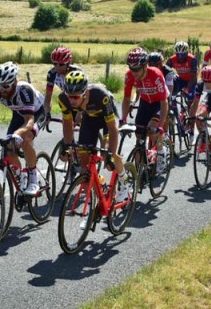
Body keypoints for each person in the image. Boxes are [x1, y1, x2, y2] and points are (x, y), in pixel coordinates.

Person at [57, 70, 129, 202]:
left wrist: (109, 153)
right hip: (90, 119)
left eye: (76, 97)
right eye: (69, 96)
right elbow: (67, 124)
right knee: (84, 164)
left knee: (108, 157)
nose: (72, 100)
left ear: (85, 93)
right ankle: (99, 196)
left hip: (107, 119)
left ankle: (124, 179)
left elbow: (113, 129)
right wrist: (67, 146)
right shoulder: (63, 99)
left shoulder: (100, 96)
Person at [0, 61, 46, 196]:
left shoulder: (24, 90)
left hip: (36, 114)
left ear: (14, 82)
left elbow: (29, 120)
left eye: (5, 86)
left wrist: (19, 133)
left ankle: (33, 180)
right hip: (19, 115)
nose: (1, 89)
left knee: (25, 139)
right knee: (9, 148)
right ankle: (21, 176)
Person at [122, 48, 170, 172]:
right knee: (139, 136)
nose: (134, 72)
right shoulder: (129, 76)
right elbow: (126, 99)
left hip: (158, 103)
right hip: (145, 103)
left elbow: (164, 102)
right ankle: (138, 171)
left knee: (152, 130)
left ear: (145, 65)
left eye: (137, 69)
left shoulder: (156, 75)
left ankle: (161, 151)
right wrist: (123, 119)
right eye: (132, 69)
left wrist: (160, 126)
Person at [43, 46, 81, 123]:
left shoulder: (77, 72)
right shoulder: (52, 74)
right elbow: (48, 97)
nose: (57, 67)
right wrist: (47, 113)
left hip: (82, 101)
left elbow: (86, 95)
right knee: (62, 97)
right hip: (69, 100)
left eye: (61, 64)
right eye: (55, 64)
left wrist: (80, 113)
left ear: (68, 64)